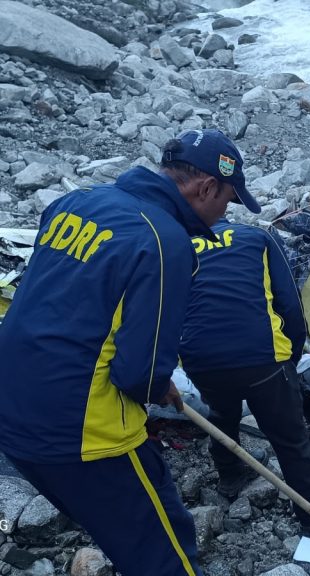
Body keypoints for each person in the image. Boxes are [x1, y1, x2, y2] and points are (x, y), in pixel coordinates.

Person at [0, 129, 261, 576]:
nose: (223, 216)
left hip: (12, 412)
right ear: (207, 187)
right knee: (163, 549)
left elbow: (64, 304)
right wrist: (158, 383)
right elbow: (137, 372)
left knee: (109, 523)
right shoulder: (163, 241)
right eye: (229, 202)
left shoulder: (74, 202)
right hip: (82, 431)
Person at [178, 217, 310, 537]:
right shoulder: (256, 236)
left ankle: (230, 476)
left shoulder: (177, 245)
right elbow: (290, 302)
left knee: (221, 411)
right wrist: (291, 359)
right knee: (290, 437)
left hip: (202, 362)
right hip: (263, 360)